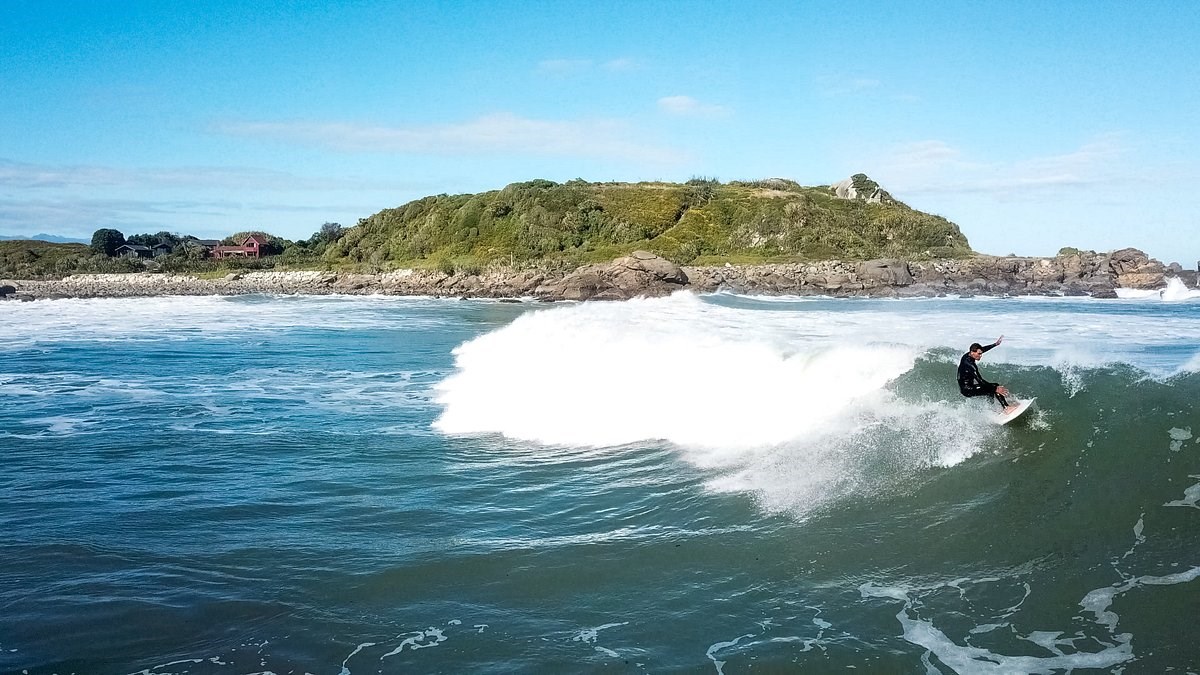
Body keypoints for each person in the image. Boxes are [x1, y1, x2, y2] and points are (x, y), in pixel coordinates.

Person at [958, 335, 1018, 413]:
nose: (981, 356)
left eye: (981, 353)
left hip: (966, 387)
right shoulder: (970, 365)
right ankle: (1006, 408)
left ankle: (992, 410)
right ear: (972, 352)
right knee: (994, 387)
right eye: (979, 354)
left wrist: (995, 344)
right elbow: (980, 381)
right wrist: (995, 388)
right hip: (967, 389)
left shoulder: (968, 355)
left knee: (991, 389)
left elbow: (983, 349)